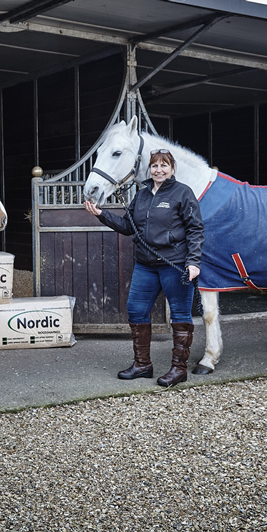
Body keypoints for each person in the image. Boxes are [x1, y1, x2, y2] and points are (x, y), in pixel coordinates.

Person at [83, 149, 203, 387]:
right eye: (155, 166)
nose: (159, 170)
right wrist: (101, 215)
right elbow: (129, 226)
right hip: (145, 265)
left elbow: (195, 229)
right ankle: (142, 365)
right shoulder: (143, 194)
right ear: (150, 169)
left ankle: (179, 369)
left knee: (180, 316)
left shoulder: (183, 193)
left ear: (172, 168)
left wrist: (193, 262)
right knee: (136, 311)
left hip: (174, 265)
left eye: (164, 165)